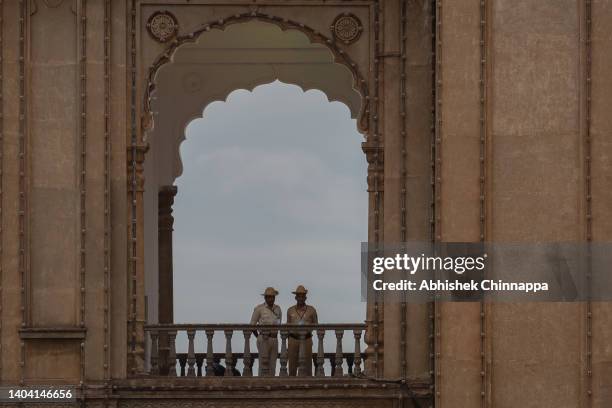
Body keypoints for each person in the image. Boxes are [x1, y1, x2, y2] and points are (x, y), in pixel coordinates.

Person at [286, 285, 318, 376]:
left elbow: (316, 325)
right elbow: (287, 327)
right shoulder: (290, 310)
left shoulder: (312, 310)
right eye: (299, 296)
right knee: (292, 363)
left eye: (302, 296)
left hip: (307, 339)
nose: (300, 298)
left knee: (308, 363)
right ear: (296, 297)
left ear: (305, 297)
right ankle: (291, 384)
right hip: (293, 339)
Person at [250, 287, 282, 376]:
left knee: (273, 364)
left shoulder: (278, 309)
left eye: (272, 297)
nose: (271, 298)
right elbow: (252, 325)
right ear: (265, 298)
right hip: (263, 338)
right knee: (263, 364)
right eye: (268, 297)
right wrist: (259, 336)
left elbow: (279, 324)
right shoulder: (259, 309)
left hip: (274, 338)